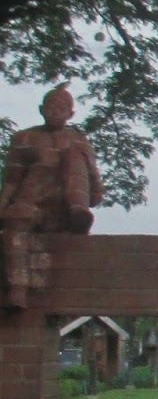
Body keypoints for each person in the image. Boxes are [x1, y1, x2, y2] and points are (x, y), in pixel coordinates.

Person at [0, 86, 105, 308]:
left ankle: (77, 212)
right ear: (41, 109)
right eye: (50, 107)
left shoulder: (78, 141)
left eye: (61, 108)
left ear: (71, 114)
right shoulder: (24, 138)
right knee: (16, 226)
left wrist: (86, 197)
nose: (55, 112)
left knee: (73, 156)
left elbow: (96, 189)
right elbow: (12, 179)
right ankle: (18, 288)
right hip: (31, 201)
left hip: (64, 206)